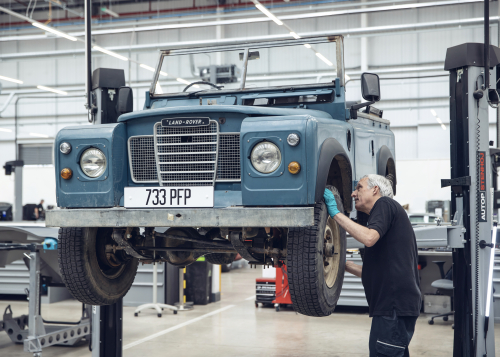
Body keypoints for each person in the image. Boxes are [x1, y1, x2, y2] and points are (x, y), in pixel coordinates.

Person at [323, 174, 421, 357]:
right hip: (396, 308)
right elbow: (377, 272)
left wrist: (335, 213)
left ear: (375, 190)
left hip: (393, 308)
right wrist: (342, 264)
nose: (353, 193)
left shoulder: (385, 204)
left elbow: (368, 238)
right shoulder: (388, 218)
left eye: (359, 187)